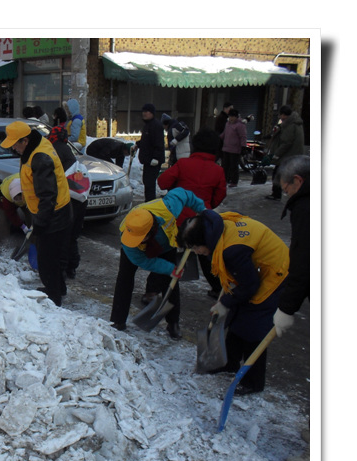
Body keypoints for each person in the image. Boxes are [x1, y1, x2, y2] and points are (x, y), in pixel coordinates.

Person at [178, 209, 289, 395]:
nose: (196, 252)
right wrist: (230, 299)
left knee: (254, 326)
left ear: (204, 240)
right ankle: (229, 362)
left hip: (275, 273)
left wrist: (226, 302)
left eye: (196, 247)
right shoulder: (216, 226)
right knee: (238, 316)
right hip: (256, 269)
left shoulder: (232, 251)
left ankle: (253, 382)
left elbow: (250, 285)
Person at [110, 187, 207, 339]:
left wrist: (202, 210)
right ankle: (118, 320)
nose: (136, 241)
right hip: (137, 252)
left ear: (151, 230)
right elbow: (143, 261)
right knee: (124, 279)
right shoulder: (128, 238)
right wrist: (168, 268)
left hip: (166, 245)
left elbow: (184, 193)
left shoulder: (168, 208)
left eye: (140, 238)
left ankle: (173, 323)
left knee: (171, 283)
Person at [1, 121, 73, 306]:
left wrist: (39, 224)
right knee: (54, 256)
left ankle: (53, 297)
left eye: (15, 144)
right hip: (54, 210)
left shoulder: (40, 158)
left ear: (25, 141)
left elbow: (47, 195)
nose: (13, 149)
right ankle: (58, 288)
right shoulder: (35, 146)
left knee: (47, 259)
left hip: (53, 213)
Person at [271, 154, 311, 461]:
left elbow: (304, 260)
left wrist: (286, 308)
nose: (284, 193)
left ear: (297, 182)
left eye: (285, 188)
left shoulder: (307, 208)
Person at [155, 128, 227, 299]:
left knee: (167, 253)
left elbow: (162, 182)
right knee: (206, 255)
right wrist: (208, 206)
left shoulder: (183, 164)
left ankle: (156, 289)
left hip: (178, 221)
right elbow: (220, 194)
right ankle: (218, 288)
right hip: (203, 221)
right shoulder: (218, 171)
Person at [48, 124, 86, 279]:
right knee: (73, 235)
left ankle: (62, 268)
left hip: (66, 198)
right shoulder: (66, 149)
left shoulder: (54, 150)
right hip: (78, 198)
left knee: (63, 234)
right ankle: (72, 267)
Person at [264, 105, 306, 200]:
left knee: (279, 174)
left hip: (288, 155)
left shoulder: (290, 125)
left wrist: (276, 154)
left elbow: (286, 142)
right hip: (294, 155)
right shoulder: (295, 122)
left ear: (284, 115)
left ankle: (277, 194)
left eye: (280, 115)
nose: (279, 117)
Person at [131, 103, 165, 202]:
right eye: (143, 111)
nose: (144, 114)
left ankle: (150, 203)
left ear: (152, 113)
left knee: (150, 183)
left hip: (153, 161)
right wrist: (137, 144)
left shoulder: (156, 126)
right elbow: (146, 141)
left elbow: (159, 143)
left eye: (147, 112)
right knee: (147, 182)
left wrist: (156, 157)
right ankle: (148, 202)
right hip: (147, 160)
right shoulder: (147, 125)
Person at [0, 174, 32, 245]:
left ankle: (33, 239)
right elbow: (11, 214)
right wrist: (22, 226)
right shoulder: (6, 197)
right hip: (5, 194)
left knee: (30, 216)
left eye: (20, 199)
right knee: (4, 219)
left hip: (24, 194)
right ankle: (3, 244)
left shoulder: (30, 190)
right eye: (16, 199)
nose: (18, 201)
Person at [220, 109, 247, 188]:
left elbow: (243, 137)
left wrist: (243, 147)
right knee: (225, 166)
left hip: (235, 149)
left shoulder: (240, 125)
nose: (231, 118)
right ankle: (225, 180)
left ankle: (234, 181)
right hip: (226, 148)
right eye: (230, 116)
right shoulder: (227, 124)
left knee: (233, 166)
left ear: (236, 117)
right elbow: (224, 134)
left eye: (233, 117)